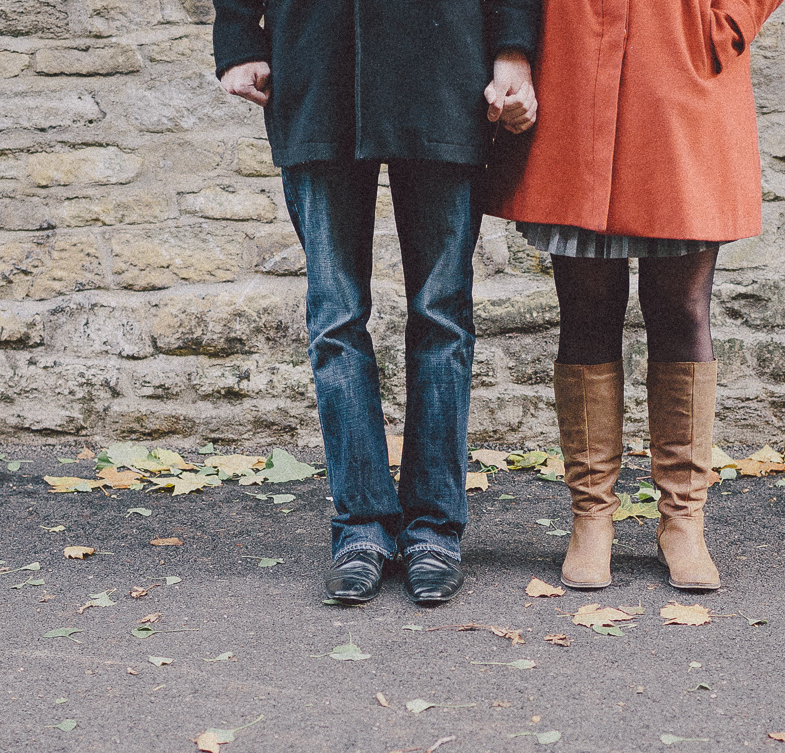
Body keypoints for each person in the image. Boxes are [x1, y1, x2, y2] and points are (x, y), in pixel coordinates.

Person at [214, 1, 540, 606]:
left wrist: (513, 50)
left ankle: (434, 530)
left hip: (447, 64)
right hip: (318, 58)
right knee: (334, 319)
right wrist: (237, 35)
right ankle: (360, 527)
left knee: (441, 315)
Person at [490, 0, 784, 592]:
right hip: (574, 67)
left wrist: (724, 22)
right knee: (586, 310)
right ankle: (592, 517)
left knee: (681, 309)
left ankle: (683, 521)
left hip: (679, 68)